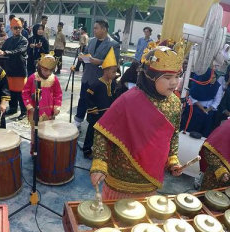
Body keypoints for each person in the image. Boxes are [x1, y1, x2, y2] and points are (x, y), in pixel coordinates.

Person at [90, 43, 184, 199]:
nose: (174, 82)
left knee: (141, 220)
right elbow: (103, 131)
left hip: (151, 175)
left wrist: (173, 160)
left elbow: (173, 134)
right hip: (121, 176)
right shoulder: (128, 100)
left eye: (177, 76)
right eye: (167, 77)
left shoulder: (175, 103)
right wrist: (99, 164)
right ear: (150, 77)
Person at [73, 19, 120, 129]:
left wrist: (99, 62)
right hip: (88, 76)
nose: (93, 30)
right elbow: (86, 53)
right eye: (94, 28)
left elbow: (114, 64)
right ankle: (78, 120)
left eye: (96, 28)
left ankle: (96, 125)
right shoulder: (92, 40)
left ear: (104, 29)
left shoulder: (113, 44)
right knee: (83, 98)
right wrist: (82, 56)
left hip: (101, 80)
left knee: (97, 103)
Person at [22, 55, 62, 152]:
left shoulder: (54, 79)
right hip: (35, 111)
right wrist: (29, 106)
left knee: (48, 131)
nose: (48, 73)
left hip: (49, 111)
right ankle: (34, 150)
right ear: (40, 67)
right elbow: (25, 93)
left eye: (50, 70)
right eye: (45, 70)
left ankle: (46, 151)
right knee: (35, 131)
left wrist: (57, 106)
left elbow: (58, 93)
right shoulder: (32, 77)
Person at [83, 47, 117, 159]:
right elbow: (87, 96)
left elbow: (114, 96)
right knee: (91, 131)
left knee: (105, 132)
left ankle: (101, 149)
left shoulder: (113, 83)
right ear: (106, 71)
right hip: (96, 113)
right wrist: (92, 108)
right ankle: (87, 149)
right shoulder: (96, 84)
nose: (115, 74)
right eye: (113, 71)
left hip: (107, 113)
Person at [0, 17, 28, 120]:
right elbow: (2, 49)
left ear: (22, 28)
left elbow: (19, 50)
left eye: (19, 28)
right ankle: (13, 108)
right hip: (9, 69)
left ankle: (24, 111)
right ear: (11, 29)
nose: (17, 30)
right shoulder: (8, 40)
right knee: (11, 91)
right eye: (15, 28)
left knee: (21, 92)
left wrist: (6, 52)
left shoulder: (24, 40)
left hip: (20, 70)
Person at [180, 67, 222, 137]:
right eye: (211, 78)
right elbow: (192, 97)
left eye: (215, 77)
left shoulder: (218, 86)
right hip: (196, 106)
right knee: (194, 117)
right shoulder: (199, 83)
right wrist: (202, 108)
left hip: (209, 108)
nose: (213, 80)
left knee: (208, 120)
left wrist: (208, 109)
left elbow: (217, 101)